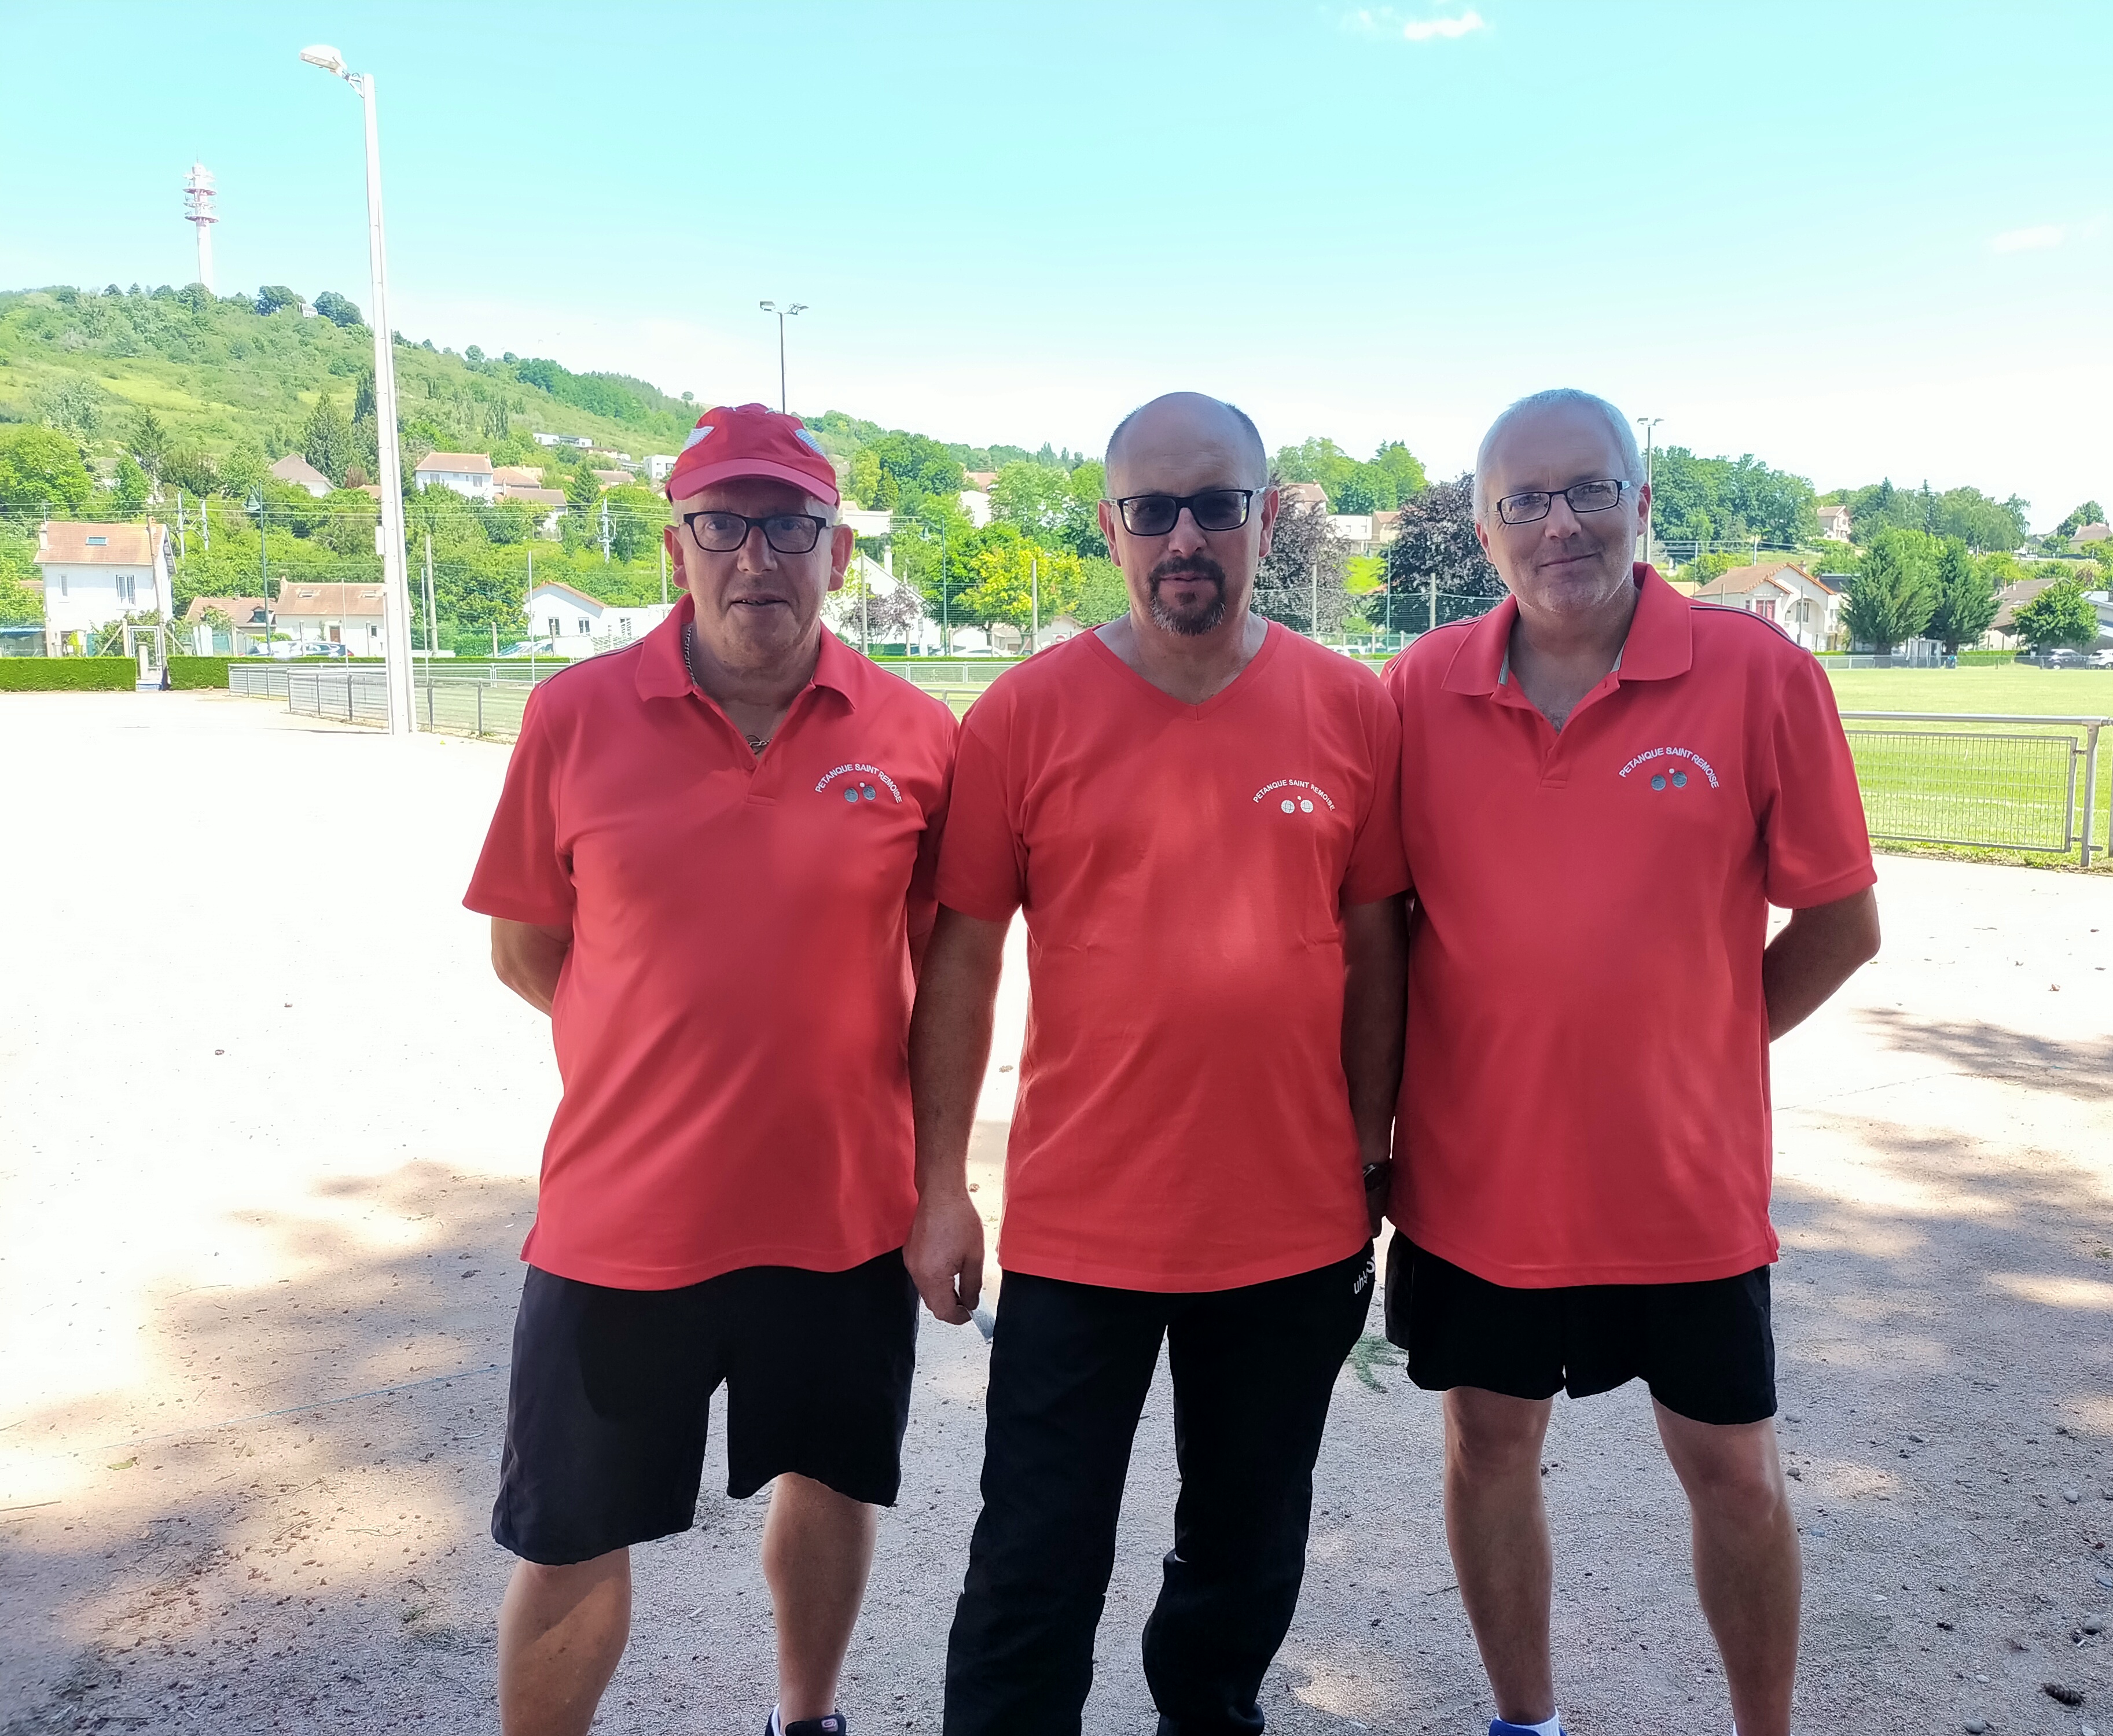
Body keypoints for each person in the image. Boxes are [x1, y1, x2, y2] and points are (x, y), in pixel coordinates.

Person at [906, 391, 1409, 1735]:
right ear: (1109, 527)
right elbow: (961, 960)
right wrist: (941, 1184)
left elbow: (1376, 954)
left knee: (1243, 1559)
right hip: (1082, 1231)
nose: (1185, 537)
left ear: (1265, 513)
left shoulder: (1351, 710)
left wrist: (1371, 1154)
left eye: (1216, 505)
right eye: (1153, 510)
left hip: (1290, 1229)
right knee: (1032, 1566)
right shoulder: (1022, 716)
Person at [1380, 389, 1882, 1736]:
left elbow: (1840, 922)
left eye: (1589, 491)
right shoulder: (1417, 692)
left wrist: (1709, 1043)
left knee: (1730, 1472)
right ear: (1482, 529)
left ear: (1642, 505)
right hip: (1477, 1179)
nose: (1560, 524)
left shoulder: (1758, 676)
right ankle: (1524, 1722)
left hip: (1678, 1185)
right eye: (1524, 501)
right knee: (1491, 1450)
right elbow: (1376, 926)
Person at [464, 404, 958, 1736]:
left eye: (788, 526)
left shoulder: (915, 735)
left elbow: (933, 982)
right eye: (724, 526)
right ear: (677, 548)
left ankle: (807, 1719)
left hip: (841, 1214)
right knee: (569, 1533)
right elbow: (528, 949)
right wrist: (656, 1055)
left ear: (837, 552)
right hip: (624, 1218)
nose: (758, 558)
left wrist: (936, 1183)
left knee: (832, 1482)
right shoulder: (573, 716)